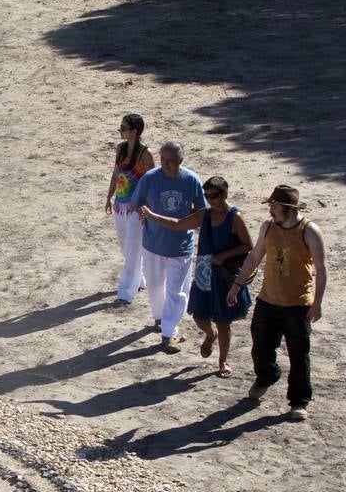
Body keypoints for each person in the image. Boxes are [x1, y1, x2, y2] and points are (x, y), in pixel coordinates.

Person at [225, 185, 327, 422]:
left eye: (274, 205)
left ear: (288, 208)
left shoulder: (309, 231)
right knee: (260, 348)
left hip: (298, 304)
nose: (271, 209)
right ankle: (267, 376)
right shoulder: (268, 227)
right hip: (267, 300)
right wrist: (236, 285)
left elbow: (321, 270)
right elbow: (254, 257)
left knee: (299, 354)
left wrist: (318, 303)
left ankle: (299, 402)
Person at [138, 176, 252, 377]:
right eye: (207, 196)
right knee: (199, 317)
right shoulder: (205, 214)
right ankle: (210, 335)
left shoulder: (235, 217)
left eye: (214, 196)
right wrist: (151, 215)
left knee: (223, 322)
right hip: (204, 270)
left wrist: (223, 256)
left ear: (225, 194)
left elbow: (248, 245)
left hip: (225, 275)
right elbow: (177, 224)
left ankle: (223, 360)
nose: (210, 200)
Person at [132, 141, 207, 352]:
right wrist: (142, 215)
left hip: (180, 246)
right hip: (153, 244)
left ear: (180, 161)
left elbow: (202, 211)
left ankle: (169, 333)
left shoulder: (191, 180)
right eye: (163, 160)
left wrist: (187, 223)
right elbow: (136, 203)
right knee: (156, 288)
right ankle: (159, 319)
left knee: (176, 292)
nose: (165, 165)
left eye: (170, 161)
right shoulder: (150, 178)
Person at [105, 114, 154, 303]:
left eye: (124, 128)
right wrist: (109, 196)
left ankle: (126, 292)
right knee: (125, 246)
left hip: (137, 207)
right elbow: (116, 173)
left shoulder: (146, 154)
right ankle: (139, 278)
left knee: (133, 248)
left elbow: (152, 182)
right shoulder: (120, 149)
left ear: (134, 131)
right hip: (120, 204)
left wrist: (148, 209)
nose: (120, 130)